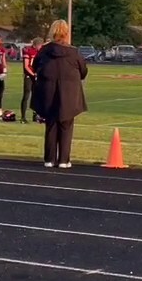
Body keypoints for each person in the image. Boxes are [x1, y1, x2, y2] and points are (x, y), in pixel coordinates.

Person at [31, 20, 88, 169]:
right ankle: (63, 160)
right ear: (67, 32)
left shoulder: (44, 51)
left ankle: (49, 159)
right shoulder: (73, 52)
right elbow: (83, 71)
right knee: (66, 125)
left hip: (48, 93)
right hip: (69, 95)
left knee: (51, 125)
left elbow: (35, 67)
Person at [20, 37, 41, 123]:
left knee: (36, 96)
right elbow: (26, 66)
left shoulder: (40, 52)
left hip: (36, 76)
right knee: (26, 95)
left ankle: (35, 115)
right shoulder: (28, 50)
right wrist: (33, 74)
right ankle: (23, 117)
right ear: (36, 45)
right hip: (29, 76)